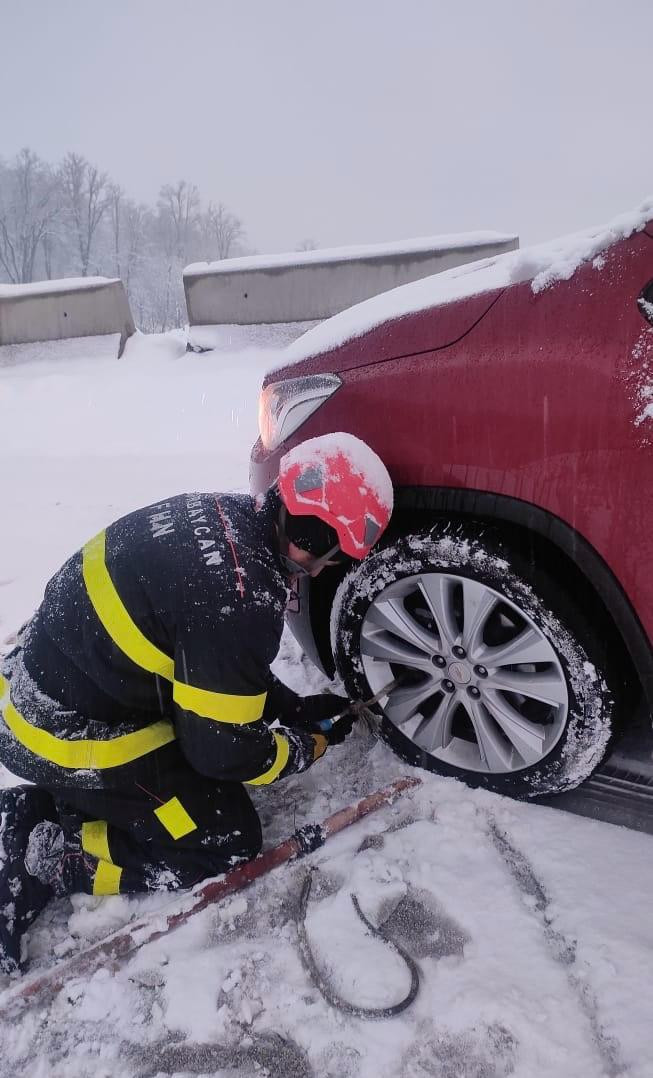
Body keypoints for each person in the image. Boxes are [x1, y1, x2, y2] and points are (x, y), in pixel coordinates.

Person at [0, 432, 393, 974]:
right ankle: (53, 849)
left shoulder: (227, 520)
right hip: (62, 735)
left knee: (198, 764)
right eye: (326, 554)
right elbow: (224, 756)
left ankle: (94, 801)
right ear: (306, 534)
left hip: (50, 685)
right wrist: (303, 748)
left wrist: (286, 706)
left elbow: (210, 665)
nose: (323, 568)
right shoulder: (240, 597)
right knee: (222, 838)